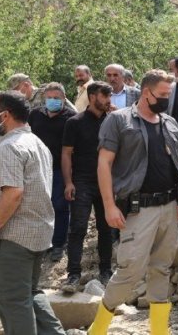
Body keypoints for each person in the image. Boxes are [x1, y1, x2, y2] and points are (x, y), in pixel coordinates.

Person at [88, 69, 178, 335]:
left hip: (170, 207)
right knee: (130, 271)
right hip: (138, 209)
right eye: (162, 94)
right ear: (146, 92)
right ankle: (97, 329)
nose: (166, 99)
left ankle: (159, 331)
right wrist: (109, 206)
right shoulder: (118, 120)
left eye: (169, 94)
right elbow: (104, 163)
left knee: (162, 269)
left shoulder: (169, 122)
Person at [0, 91, 66, 335]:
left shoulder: (10, 147)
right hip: (38, 233)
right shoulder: (37, 142)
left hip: (14, 237)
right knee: (30, 293)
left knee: (14, 301)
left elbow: (14, 193)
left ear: (5, 115)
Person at [61, 82, 114, 293]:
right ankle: (73, 275)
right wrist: (68, 182)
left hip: (107, 182)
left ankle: (106, 271)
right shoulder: (75, 122)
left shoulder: (113, 121)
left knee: (106, 228)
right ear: (92, 97)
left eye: (109, 96)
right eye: (104, 96)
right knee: (78, 228)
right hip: (82, 181)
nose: (108, 101)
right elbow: (66, 153)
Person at [28, 82, 76, 262]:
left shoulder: (71, 118)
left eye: (56, 98)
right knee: (40, 205)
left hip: (59, 169)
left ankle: (58, 243)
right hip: (37, 168)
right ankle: (43, 242)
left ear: (64, 98)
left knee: (60, 206)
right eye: (49, 98)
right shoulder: (35, 115)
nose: (52, 101)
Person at [8, 73, 76, 111]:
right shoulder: (23, 102)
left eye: (16, 89)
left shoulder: (46, 93)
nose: (15, 93)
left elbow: (72, 110)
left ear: (26, 85)